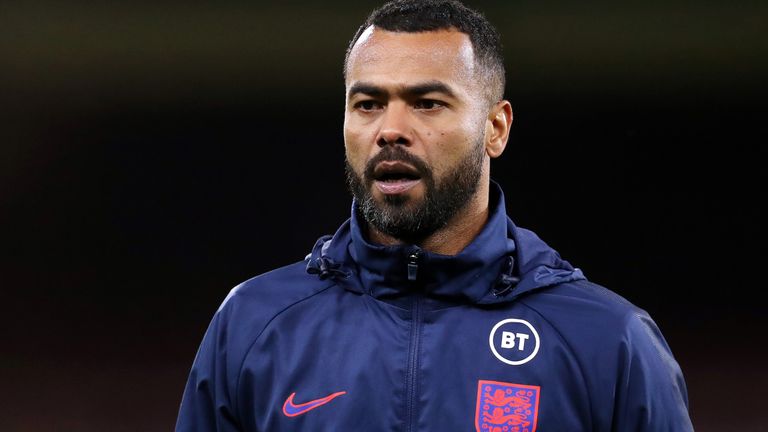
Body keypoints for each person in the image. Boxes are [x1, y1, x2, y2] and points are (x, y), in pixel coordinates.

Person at [176, 1, 694, 431]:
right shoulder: (253, 326)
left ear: (496, 127)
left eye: (426, 103)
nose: (390, 129)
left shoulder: (607, 341)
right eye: (368, 103)